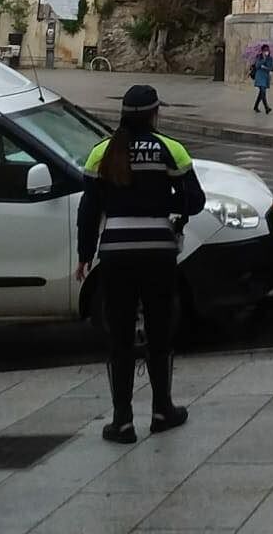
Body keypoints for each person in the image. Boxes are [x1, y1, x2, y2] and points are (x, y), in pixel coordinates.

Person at [76, 84, 205, 445]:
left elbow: (88, 212)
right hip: (158, 252)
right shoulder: (170, 149)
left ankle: (122, 422)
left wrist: (84, 255)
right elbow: (194, 201)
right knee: (159, 333)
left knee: (119, 339)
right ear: (154, 113)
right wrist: (169, 203)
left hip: (116, 254)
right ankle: (163, 411)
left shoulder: (102, 152)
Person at [250, 44, 273, 114]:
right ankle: (267, 107)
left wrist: (266, 67)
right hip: (259, 76)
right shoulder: (258, 57)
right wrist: (263, 59)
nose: (266, 51)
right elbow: (257, 65)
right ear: (262, 51)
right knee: (263, 91)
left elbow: (272, 69)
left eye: (267, 50)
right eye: (265, 50)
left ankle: (255, 106)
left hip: (266, 77)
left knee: (261, 93)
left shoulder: (270, 58)